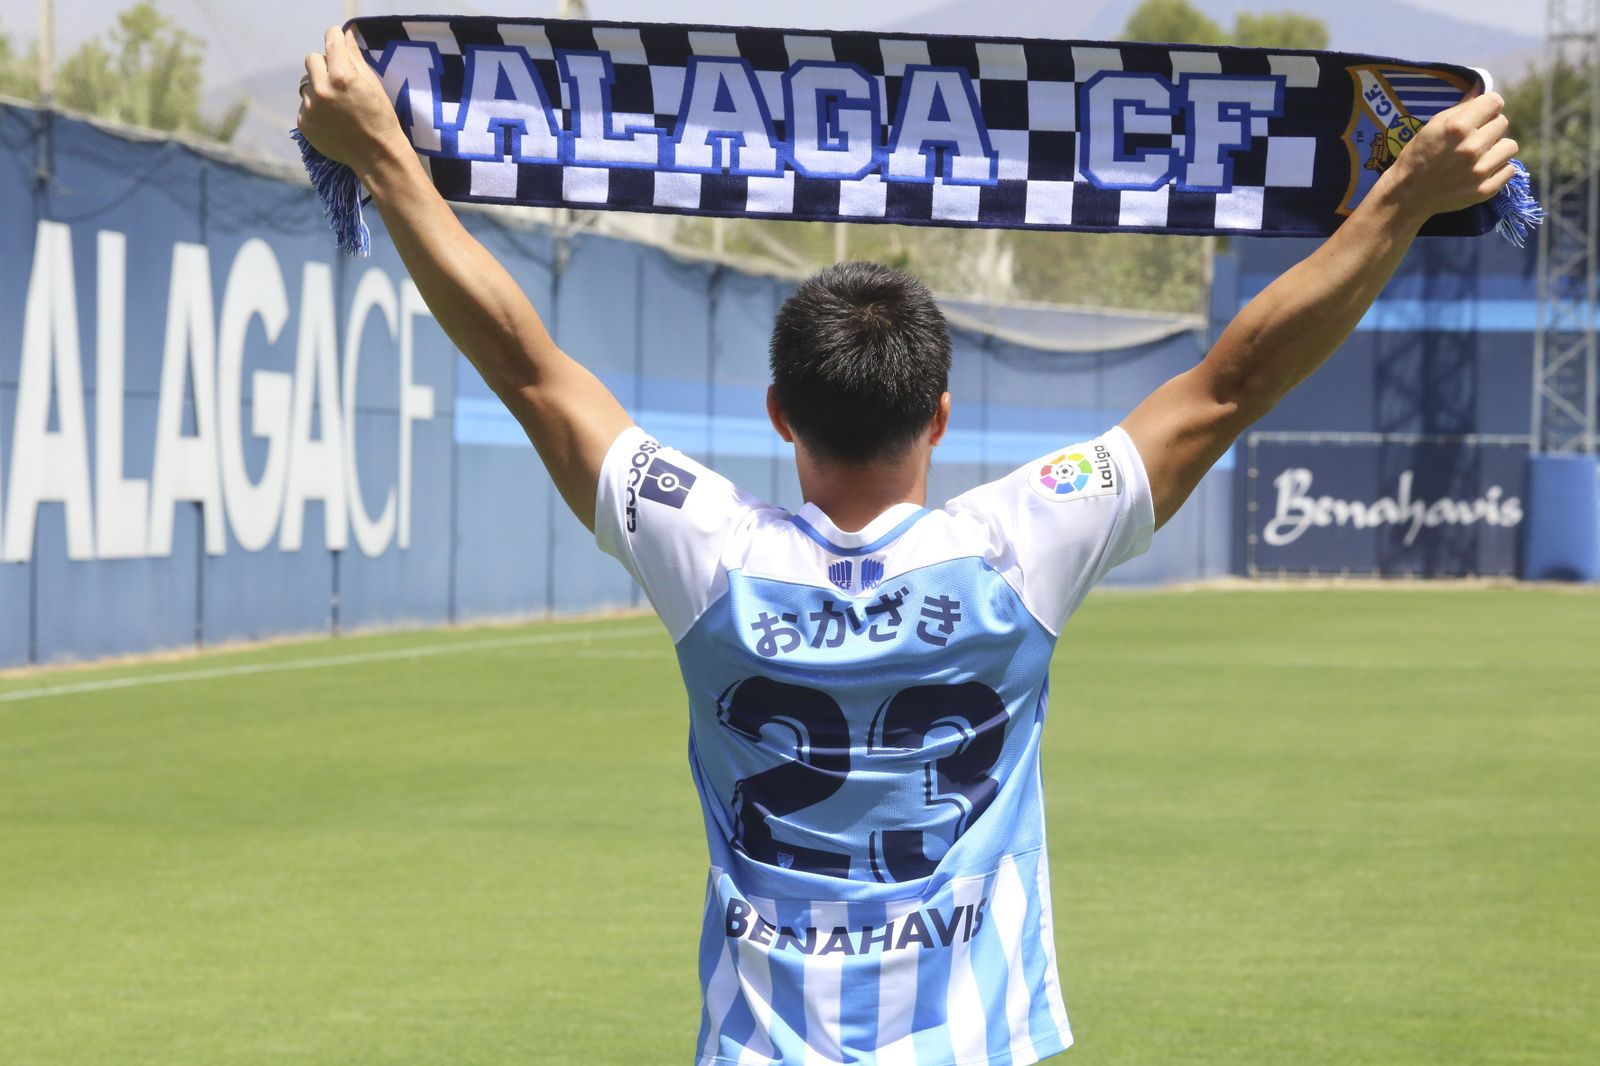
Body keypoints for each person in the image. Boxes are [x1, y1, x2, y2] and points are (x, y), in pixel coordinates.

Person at [297, 26, 1519, 1066]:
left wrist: (387, 154)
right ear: (941, 413)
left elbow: (529, 369)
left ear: (779, 414)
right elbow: (1229, 382)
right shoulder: (1017, 546)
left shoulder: (710, 553)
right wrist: (1402, 192)